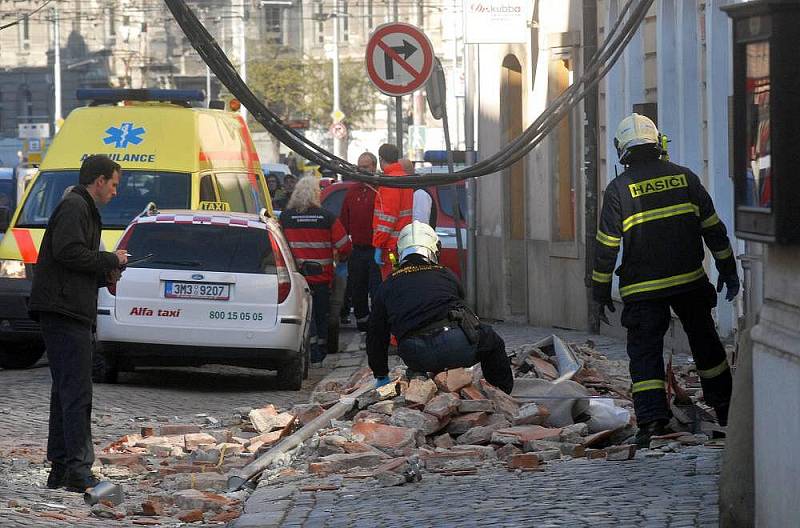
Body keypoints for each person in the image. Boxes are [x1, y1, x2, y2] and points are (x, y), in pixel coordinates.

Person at [592, 113, 739, 447]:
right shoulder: (685, 178)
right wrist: (728, 270)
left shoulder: (618, 190)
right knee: (707, 346)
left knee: (645, 355)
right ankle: (727, 409)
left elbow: (606, 248)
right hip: (689, 283)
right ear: (657, 143)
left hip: (643, 291)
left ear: (623, 150)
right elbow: (714, 230)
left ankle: (652, 423)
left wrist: (599, 292)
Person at [28, 154, 127, 492]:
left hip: (68, 307)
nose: (115, 192)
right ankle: (78, 470)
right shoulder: (75, 206)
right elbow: (68, 251)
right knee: (77, 392)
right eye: (113, 184)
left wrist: (106, 271)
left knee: (65, 389)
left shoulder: (81, 207)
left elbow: (73, 264)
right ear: (98, 181)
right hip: (64, 310)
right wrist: (109, 259)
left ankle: (60, 467)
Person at [367, 221, 513, 393]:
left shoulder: (387, 285)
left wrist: (381, 375)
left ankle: (421, 382)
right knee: (492, 341)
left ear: (400, 252)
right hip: (457, 347)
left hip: (415, 354)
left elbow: (376, 336)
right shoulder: (446, 274)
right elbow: (463, 310)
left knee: (421, 350)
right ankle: (501, 394)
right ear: (434, 249)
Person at [280, 176, 352, 363]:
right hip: (321, 278)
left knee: (299, 315)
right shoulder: (326, 218)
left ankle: (303, 348)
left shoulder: (285, 218)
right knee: (321, 314)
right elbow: (344, 246)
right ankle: (319, 351)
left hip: (296, 278)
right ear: (316, 194)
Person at [339, 152, 381, 331]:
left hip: (377, 250)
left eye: (365, 166)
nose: (362, 170)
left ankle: (378, 325)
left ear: (374, 166)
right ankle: (363, 325)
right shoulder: (352, 191)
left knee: (378, 290)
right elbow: (343, 222)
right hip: (357, 250)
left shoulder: (380, 189)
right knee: (357, 289)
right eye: (359, 167)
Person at [372, 144, 414, 278]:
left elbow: (388, 218)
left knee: (391, 282)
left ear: (380, 159)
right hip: (402, 243)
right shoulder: (403, 178)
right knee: (400, 281)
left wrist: (378, 244)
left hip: (390, 246)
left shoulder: (389, 181)